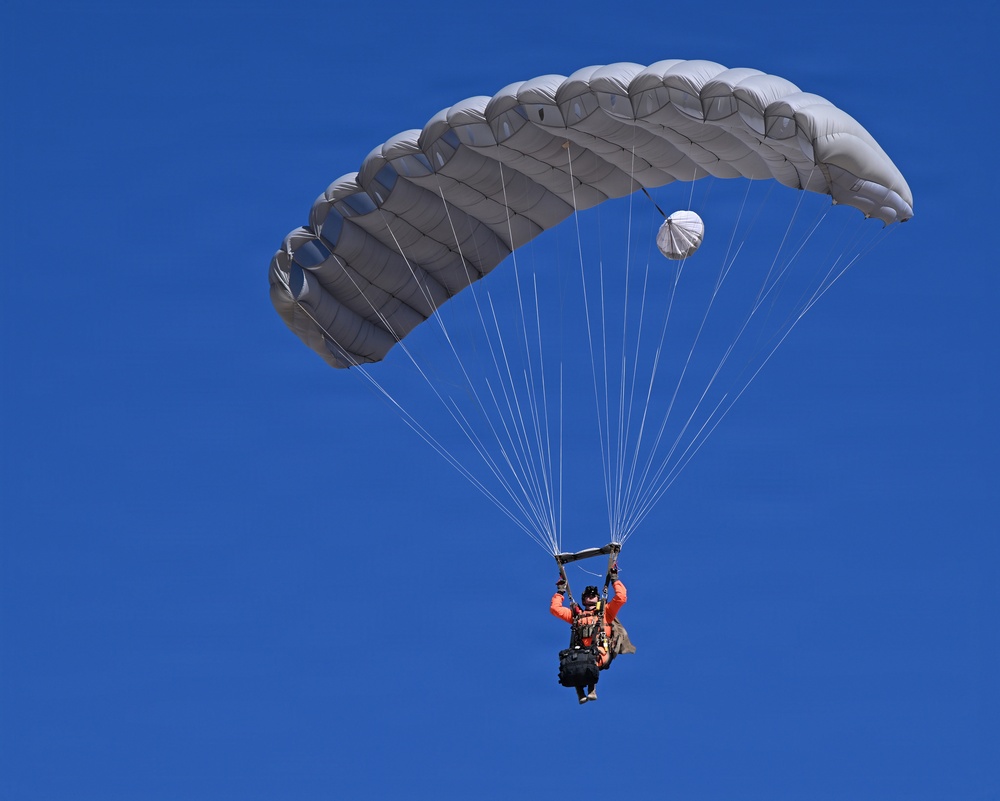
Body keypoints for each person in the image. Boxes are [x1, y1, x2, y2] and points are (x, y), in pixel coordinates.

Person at [551, 566, 627, 703]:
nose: (590, 597)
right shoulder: (576, 616)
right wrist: (560, 591)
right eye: (587, 596)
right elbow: (555, 609)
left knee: (591, 657)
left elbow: (621, 598)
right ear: (583, 600)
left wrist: (615, 579)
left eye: (593, 595)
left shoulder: (606, 613)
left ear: (598, 598)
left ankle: (592, 689)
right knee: (571, 660)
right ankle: (580, 692)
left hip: (600, 652)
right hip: (580, 652)